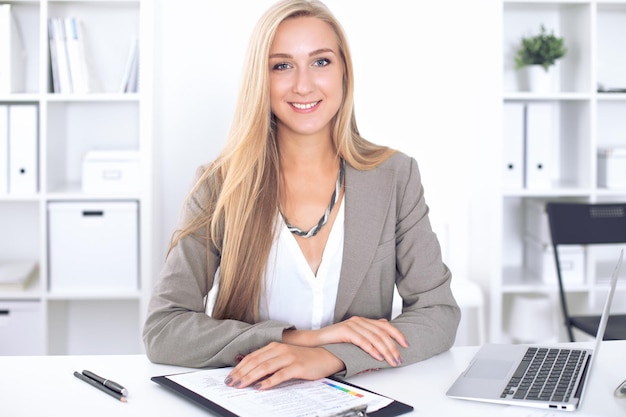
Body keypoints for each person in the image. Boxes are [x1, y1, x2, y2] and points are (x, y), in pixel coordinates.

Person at [143, 0, 460, 391]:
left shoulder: (394, 176)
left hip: (362, 401)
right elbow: (163, 329)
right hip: (251, 400)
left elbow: (438, 314)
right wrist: (300, 340)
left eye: (321, 62)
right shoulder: (220, 185)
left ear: (344, 70)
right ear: (261, 78)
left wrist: (328, 357)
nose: (303, 84)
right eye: (282, 65)